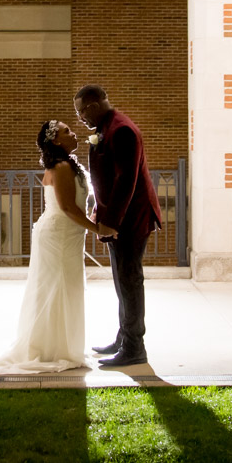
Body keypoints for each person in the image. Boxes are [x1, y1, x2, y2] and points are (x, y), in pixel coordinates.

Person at [0, 120, 118, 375]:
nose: (74, 133)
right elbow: (67, 208)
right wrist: (98, 229)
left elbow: (76, 203)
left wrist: (91, 216)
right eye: (67, 131)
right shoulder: (60, 167)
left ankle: (61, 347)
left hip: (68, 236)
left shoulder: (68, 165)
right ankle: (51, 350)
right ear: (56, 140)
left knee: (66, 289)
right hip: (58, 237)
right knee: (56, 290)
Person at [75, 83, 163, 368]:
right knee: (121, 281)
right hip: (119, 219)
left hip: (130, 220)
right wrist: (101, 212)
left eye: (81, 111)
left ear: (94, 104)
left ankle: (135, 347)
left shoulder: (121, 130)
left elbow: (126, 181)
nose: (80, 118)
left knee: (129, 281)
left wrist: (111, 223)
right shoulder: (107, 128)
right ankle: (123, 338)